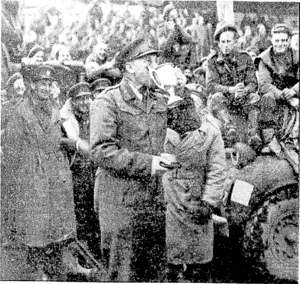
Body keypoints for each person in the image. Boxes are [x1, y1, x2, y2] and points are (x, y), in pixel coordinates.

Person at [90, 37, 173, 282]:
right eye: (147, 61)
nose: (153, 66)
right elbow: (102, 151)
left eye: (156, 60)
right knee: (123, 274)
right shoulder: (108, 100)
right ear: (128, 67)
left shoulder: (158, 98)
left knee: (154, 274)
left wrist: (178, 89)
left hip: (153, 202)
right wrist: (149, 163)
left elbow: (192, 124)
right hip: (121, 205)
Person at [1, 65, 91, 281]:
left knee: (60, 222)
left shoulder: (52, 106)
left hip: (55, 171)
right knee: (35, 226)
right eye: (42, 83)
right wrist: (24, 176)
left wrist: (75, 144)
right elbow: (12, 149)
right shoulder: (21, 112)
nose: (46, 88)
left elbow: (53, 139)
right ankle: (37, 271)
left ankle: (67, 264)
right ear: (32, 85)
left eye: (49, 84)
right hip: (32, 173)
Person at [163, 80, 227, 282]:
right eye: (189, 104)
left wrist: (208, 203)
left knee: (198, 261)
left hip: (196, 201)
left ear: (204, 108)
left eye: (198, 105)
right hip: (168, 198)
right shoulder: (165, 125)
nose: (194, 110)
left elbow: (217, 171)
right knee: (170, 260)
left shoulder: (211, 133)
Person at [60, 82, 101, 258]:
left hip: (97, 169)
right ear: (73, 102)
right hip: (76, 171)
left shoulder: (98, 116)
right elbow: (58, 140)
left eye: (87, 98)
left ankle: (96, 246)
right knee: (81, 209)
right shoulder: (65, 121)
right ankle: (82, 250)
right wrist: (76, 144)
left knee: (97, 208)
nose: (85, 102)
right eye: (80, 99)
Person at [206, 23, 261, 148]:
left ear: (235, 42)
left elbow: (253, 82)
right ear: (219, 44)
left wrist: (245, 90)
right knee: (216, 97)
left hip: (242, 99)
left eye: (229, 41)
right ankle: (230, 129)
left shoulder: (245, 58)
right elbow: (210, 85)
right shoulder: (212, 61)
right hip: (224, 101)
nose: (225, 45)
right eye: (223, 42)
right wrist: (230, 90)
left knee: (255, 98)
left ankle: (253, 134)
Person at [255, 24, 299, 150]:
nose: (280, 44)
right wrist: (285, 96)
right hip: (276, 96)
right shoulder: (264, 58)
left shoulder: (297, 55)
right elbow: (264, 84)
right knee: (267, 98)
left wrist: (294, 91)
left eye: (284, 40)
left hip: (294, 94)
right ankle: (269, 139)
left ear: (289, 40)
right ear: (271, 40)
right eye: (277, 40)